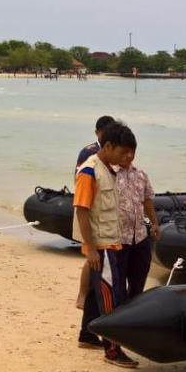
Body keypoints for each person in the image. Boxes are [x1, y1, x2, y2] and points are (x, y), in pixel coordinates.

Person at [73, 122, 140, 368]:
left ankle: (88, 335)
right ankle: (112, 350)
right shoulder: (90, 171)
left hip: (112, 243)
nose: (128, 157)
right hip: (101, 246)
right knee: (111, 297)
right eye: (124, 152)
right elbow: (81, 209)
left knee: (98, 294)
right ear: (108, 146)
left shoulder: (107, 169)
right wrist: (90, 248)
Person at [74, 114, 114, 349]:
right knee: (91, 259)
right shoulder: (90, 154)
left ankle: (89, 329)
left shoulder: (112, 155)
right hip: (89, 211)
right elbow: (84, 184)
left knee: (95, 264)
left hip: (101, 218)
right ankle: (82, 296)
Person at [114, 150, 160, 299]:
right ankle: (118, 316)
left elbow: (147, 201)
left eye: (131, 152)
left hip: (140, 237)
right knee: (118, 284)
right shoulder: (110, 174)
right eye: (124, 151)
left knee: (138, 283)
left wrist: (154, 223)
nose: (128, 156)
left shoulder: (141, 175)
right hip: (119, 239)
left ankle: (133, 314)